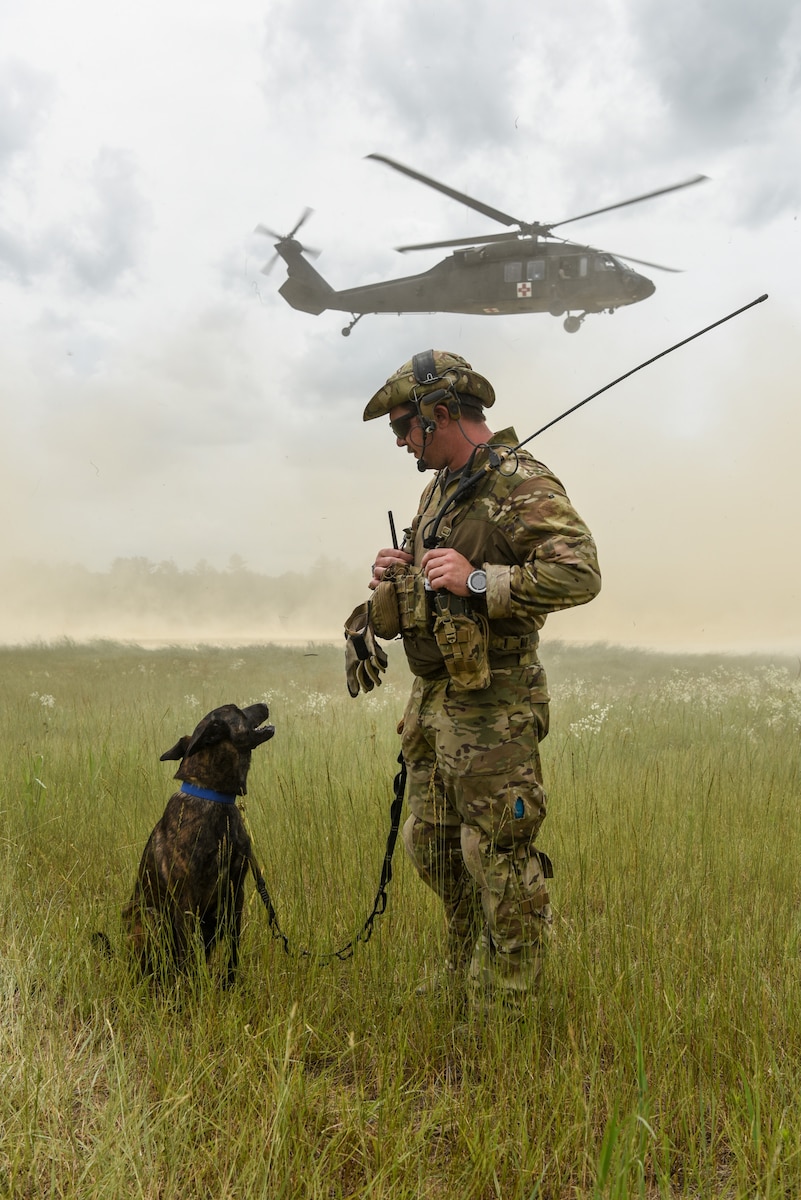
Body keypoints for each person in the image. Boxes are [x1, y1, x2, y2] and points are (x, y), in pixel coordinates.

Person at [346, 349, 601, 1012]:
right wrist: (399, 570)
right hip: (434, 698)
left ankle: (508, 1004)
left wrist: (478, 579)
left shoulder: (522, 483)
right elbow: (439, 577)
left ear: (439, 413)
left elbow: (579, 574)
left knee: (495, 851)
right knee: (430, 844)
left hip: (496, 701)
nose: (401, 442)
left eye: (404, 427)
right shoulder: (438, 489)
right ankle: (461, 965)